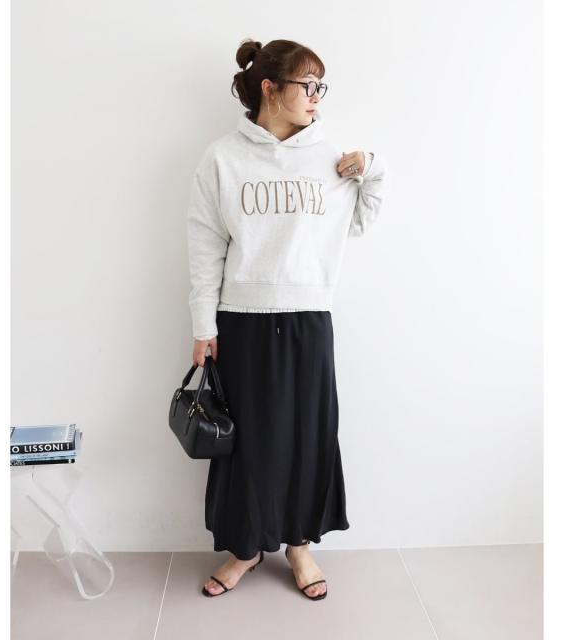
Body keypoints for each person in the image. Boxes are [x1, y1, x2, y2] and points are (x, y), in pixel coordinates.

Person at [186, 38, 388, 600]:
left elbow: (357, 224)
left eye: (322, 86)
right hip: (242, 319)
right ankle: (246, 548)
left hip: (308, 316)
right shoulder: (222, 158)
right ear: (270, 88)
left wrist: (374, 170)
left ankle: (300, 546)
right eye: (308, 85)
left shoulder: (329, 157)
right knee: (248, 441)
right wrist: (204, 326)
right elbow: (205, 245)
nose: (317, 96)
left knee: (309, 435)